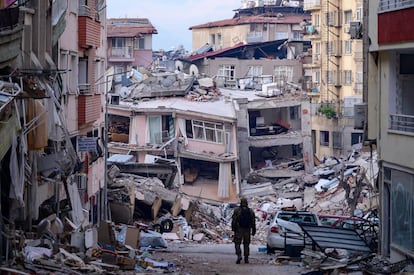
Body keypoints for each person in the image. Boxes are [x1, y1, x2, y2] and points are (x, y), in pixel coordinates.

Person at [231, 197, 256, 264]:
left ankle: (239, 255)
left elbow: (234, 220)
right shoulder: (250, 211)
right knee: (246, 244)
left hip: (239, 229)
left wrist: (233, 228)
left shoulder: (237, 210)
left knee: (237, 243)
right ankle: (246, 258)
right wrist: (254, 230)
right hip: (247, 229)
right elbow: (253, 221)